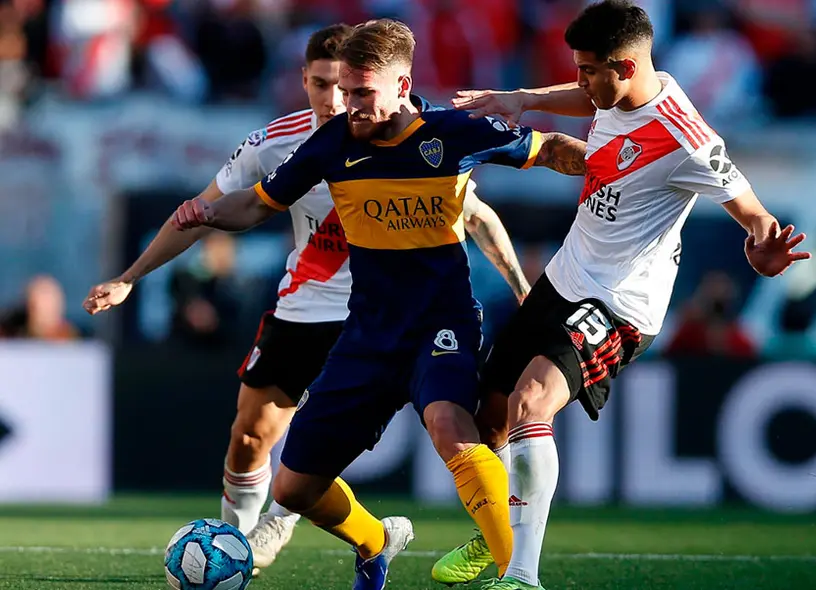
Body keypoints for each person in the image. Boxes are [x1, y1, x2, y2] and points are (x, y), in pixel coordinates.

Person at [82, 23, 531, 578]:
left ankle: (508, 560)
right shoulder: (284, 142)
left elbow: (476, 213)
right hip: (310, 307)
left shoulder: (427, 133)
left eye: (347, 88)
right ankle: (246, 543)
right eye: (324, 84)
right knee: (252, 438)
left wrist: (519, 287)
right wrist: (131, 276)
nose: (335, 100)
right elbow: (215, 209)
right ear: (306, 80)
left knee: (453, 422)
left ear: (392, 85)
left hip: (402, 311)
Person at [436, 2, 811, 589]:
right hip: (566, 277)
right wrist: (522, 98)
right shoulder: (614, 91)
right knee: (489, 418)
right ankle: (496, 537)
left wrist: (764, 247)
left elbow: (752, 209)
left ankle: (523, 577)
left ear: (626, 67)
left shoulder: (684, 136)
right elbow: (587, 98)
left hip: (619, 304)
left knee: (531, 403)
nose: (583, 83)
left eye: (589, 71)